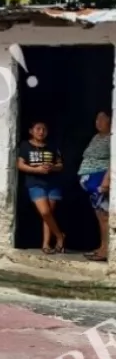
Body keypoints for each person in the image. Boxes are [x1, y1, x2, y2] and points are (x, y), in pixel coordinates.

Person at [17, 120, 65, 254]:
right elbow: (20, 165)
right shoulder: (25, 145)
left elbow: (60, 165)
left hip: (53, 183)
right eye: (38, 129)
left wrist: (52, 167)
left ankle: (46, 244)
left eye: (44, 129)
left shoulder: (52, 145)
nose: (41, 132)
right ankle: (60, 236)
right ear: (31, 131)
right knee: (45, 212)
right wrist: (37, 170)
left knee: (48, 214)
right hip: (35, 183)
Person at [80, 109, 112, 261]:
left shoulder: (112, 138)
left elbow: (114, 161)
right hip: (92, 184)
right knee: (100, 217)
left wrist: (106, 181)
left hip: (100, 182)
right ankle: (102, 246)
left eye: (102, 119)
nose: (98, 122)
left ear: (110, 120)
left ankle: (106, 250)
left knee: (104, 217)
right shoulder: (97, 137)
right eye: (97, 119)